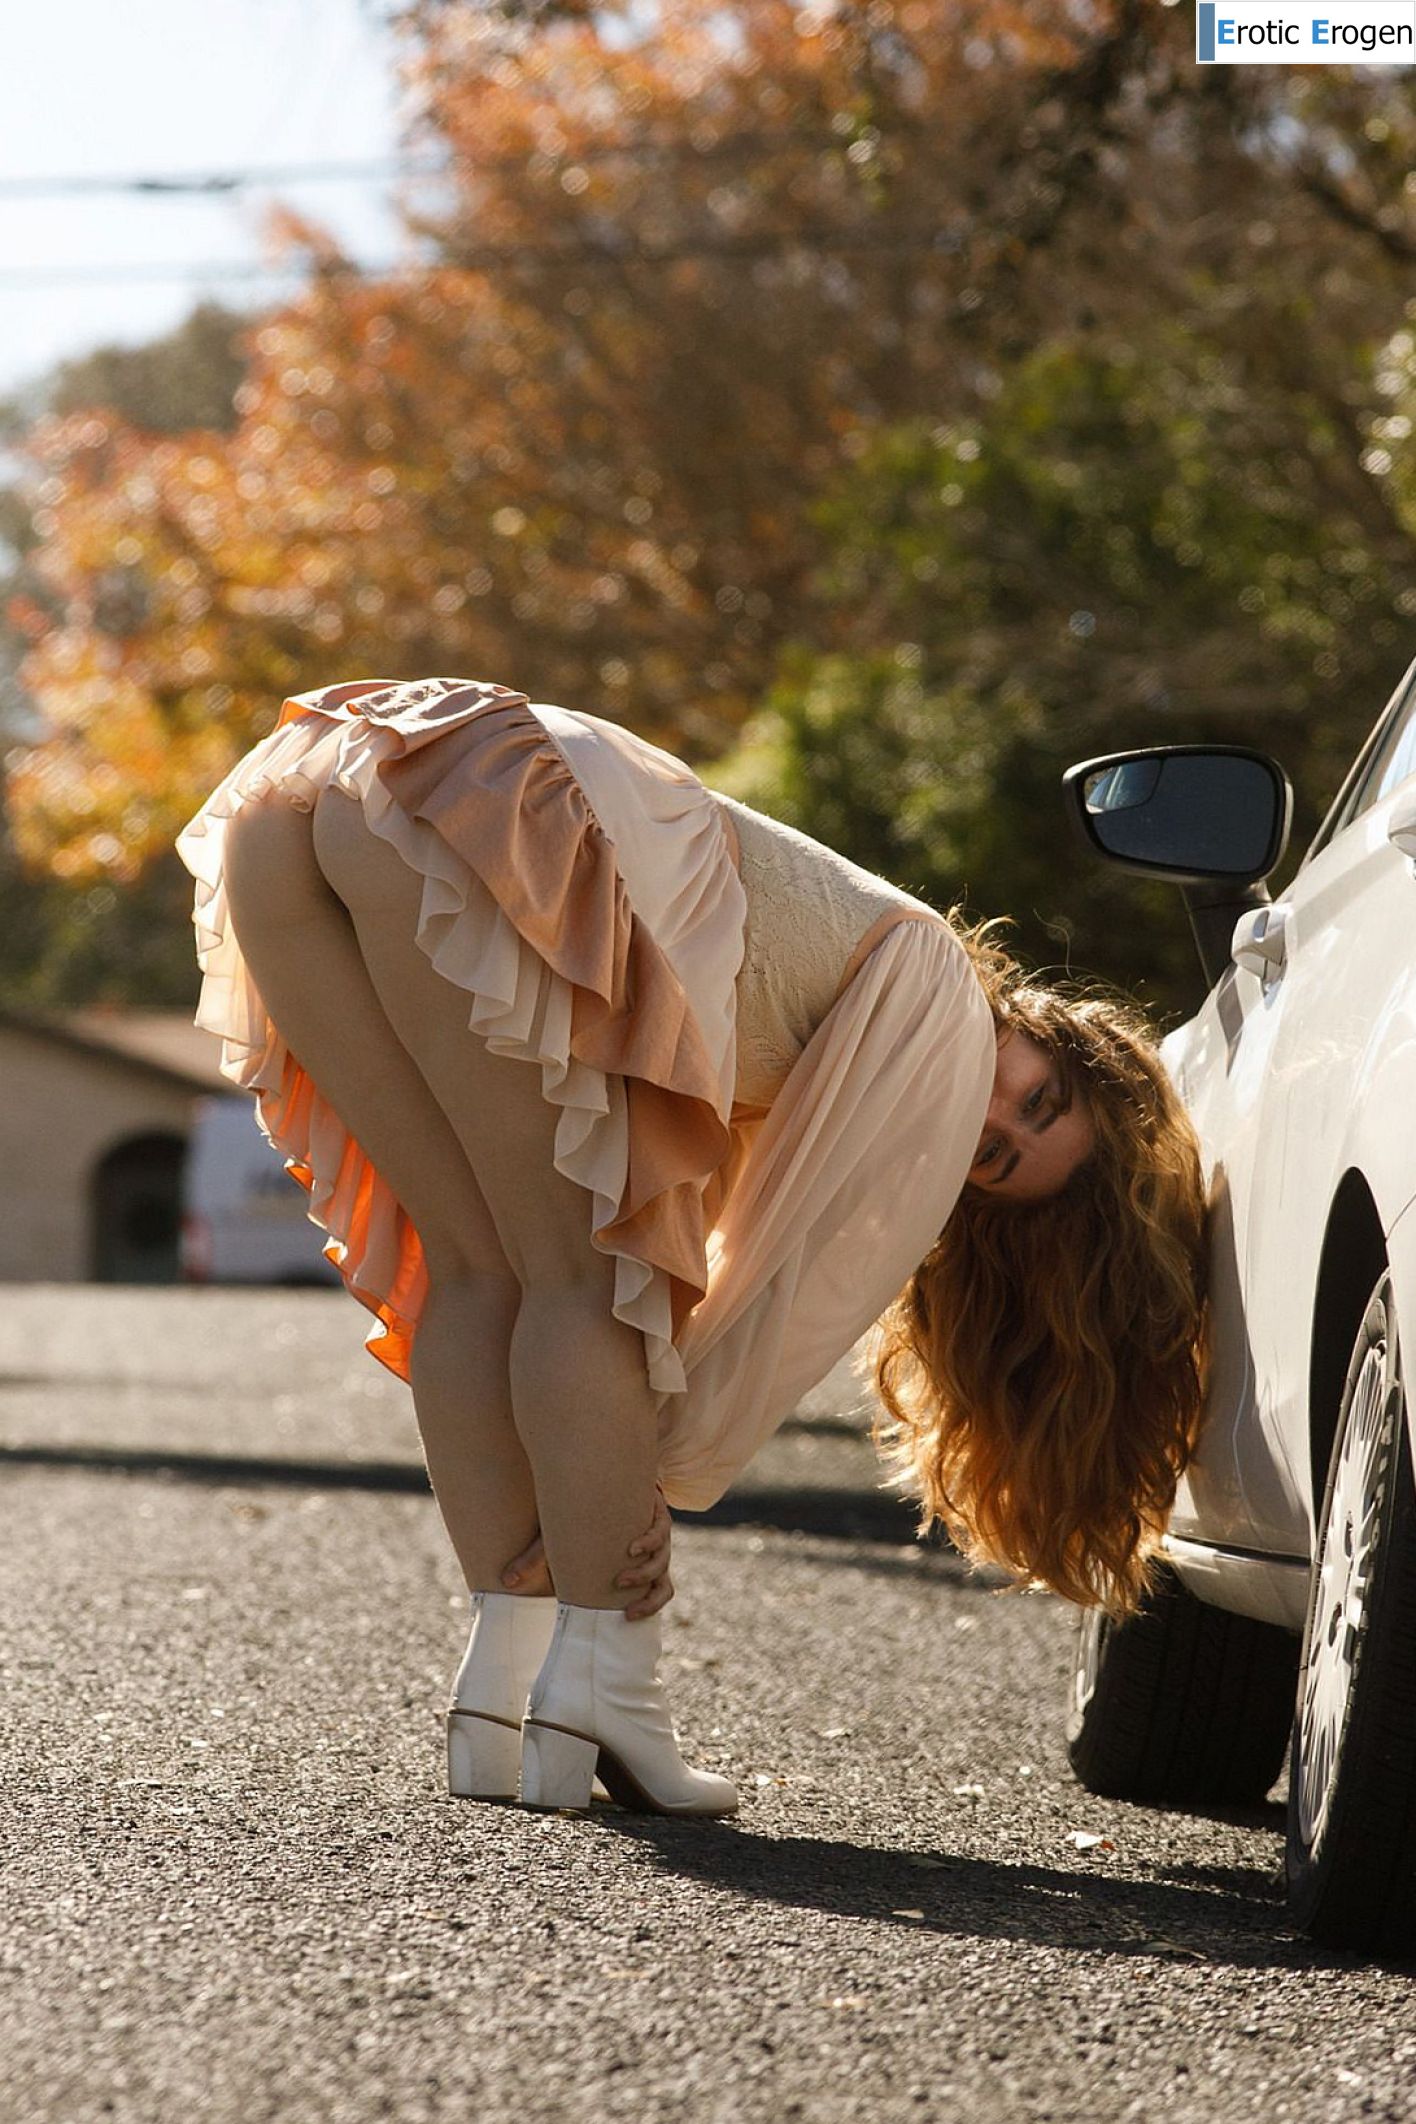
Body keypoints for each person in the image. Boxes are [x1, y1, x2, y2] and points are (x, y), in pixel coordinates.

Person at [175, 676, 1208, 1822]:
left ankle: (502, 1684)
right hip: (470, 800)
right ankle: (606, 1690)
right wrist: (637, 1489)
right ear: (1047, 1034)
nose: (990, 1119)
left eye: (1000, 1160)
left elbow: (710, 1267)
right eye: (1044, 1095)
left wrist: (604, 1489)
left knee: (484, 1270)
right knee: (585, 1283)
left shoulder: (844, 1028)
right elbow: (774, 1297)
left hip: (313, 795)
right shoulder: (942, 1015)